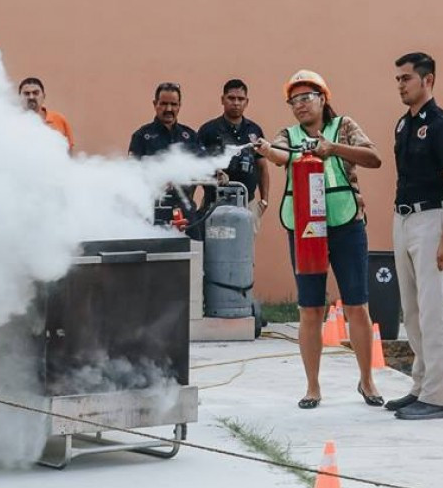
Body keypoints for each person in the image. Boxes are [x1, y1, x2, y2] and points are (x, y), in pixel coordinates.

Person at [252, 70, 383, 410]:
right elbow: (280, 153)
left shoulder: (344, 126)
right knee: (310, 308)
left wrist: (332, 148)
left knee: (357, 305)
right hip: (306, 228)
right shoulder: (289, 134)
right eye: (293, 100)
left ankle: (367, 381)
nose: (299, 105)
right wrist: (267, 150)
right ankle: (313, 387)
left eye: (306, 97)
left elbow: (373, 157)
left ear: (323, 97)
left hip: (346, 222)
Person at [385, 52, 443, 420]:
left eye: (406, 78)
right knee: (412, 311)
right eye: (398, 79)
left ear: (427, 80)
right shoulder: (403, 125)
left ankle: (438, 396)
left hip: (433, 219)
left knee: (433, 312)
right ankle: (420, 385)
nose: (400, 85)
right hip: (404, 218)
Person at [128, 82, 205, 224]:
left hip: (185, 212)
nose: (168, 109)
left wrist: (217, 173)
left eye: (174, 104)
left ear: (179, 105)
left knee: (196, 245)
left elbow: (202, 167)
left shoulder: (189, 136)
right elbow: (132, 174)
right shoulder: (141, 136)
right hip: (154, 214)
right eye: (163, 104)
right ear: (155, 104)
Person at [198, 79, 271, 227]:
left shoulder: (254, 130)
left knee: (244, 249)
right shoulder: (208, 130)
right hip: (214, 203)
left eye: (240, 99)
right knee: (214, 248)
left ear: (247, 102)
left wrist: (264, 200)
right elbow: (197, 166)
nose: (236, 103)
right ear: (222, 100)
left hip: (247, 203)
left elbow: (262, 167)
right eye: (231, 98)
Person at [18, 77, 75, 153]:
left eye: (35, 93)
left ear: (43, 96)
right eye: (26, 94)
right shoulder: (13, 121)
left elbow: (69, 151)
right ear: (19, 97)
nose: (31, 97)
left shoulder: (58, 119)